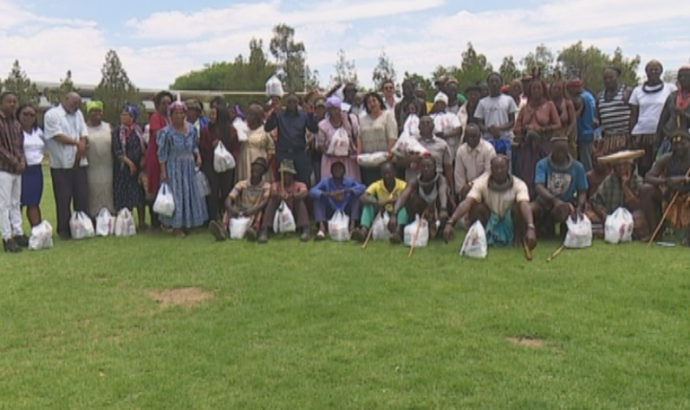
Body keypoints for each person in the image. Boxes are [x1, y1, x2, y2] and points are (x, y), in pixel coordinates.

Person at [444, 156, 537, 249]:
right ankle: (481, 238)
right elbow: (467, 202)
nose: (499, 171)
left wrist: (530, 227)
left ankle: (517, 239)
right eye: (496, 168)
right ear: (491, 169)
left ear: (507, 168)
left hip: (510, 221)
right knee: (476, 207)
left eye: (502, 168)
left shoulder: (519, 184)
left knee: (519, 207)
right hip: (490, 220)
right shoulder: (481, 183)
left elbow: (525, 204)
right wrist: (451, 222)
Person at [157, 100, 208, 237]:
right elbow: (162, 153)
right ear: (171, 115)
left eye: (181, 113)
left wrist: (197, 155)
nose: (179, 116)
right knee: (177, 196)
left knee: (189, 194)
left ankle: (189, 223)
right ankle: (176, 226)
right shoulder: (166, 133)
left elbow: (194, 146)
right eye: (176, 113)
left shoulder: (191, 129)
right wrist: (163, 171)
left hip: (189, 165)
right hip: (174, 166)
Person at [44, 92, 89, 239]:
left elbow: (83, 132)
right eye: (73, 103)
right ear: (65, 99)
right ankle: (64, 230)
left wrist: (82, 144)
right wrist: (77, 143)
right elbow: (56, 135)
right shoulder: (52, 115)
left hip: (80, 162)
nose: (76, 106)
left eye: (78, 104)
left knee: (81, 196)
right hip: (61, 165)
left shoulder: (78, 114)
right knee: (63, 199)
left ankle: (81, 227)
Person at [514, 73, 562, 198]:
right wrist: (526, 128)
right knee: (527, 177)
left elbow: (558, 125)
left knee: (545, 177)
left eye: (538, 88)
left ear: (543, 90)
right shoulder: (525, 108)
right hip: (527, 148)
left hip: (544, 145)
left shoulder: (549, 105)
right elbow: (516, 129)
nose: (536, 91)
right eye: (533, 89)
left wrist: (543, 129)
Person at [530, 137, 588, 237]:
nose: (561, 154)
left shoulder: (578, 167)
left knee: (563, 211)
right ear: (552, 150)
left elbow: (582, 191)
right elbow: (539, 186)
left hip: (567, 204)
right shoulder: (542, 164)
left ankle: (564, 227)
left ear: (568, 150)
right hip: (545, 202)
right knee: (531, 209)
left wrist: (579, 207)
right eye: (558, 151)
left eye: (563, 151)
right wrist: (554, 200)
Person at [641, 130, 690, 244]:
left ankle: (688, 237)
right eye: (676, 144)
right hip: (671, 195)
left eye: (683, 144)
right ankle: (655, 232)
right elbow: (648, 177)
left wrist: (684, 179)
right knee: (646, 190)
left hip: (688, 195)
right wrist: (666, 181)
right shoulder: (667, 158)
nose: (679, 147)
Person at [629, 60, 677, 177]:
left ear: (661, 71)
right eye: (651, 70)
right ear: (646, 72)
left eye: (656, 70)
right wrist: (630, 135)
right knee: (643, 166)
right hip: (641, 134)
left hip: (661, 134)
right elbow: (633, 115)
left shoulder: (670, 89)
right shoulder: (637, 91)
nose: (653, 72)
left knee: (660, 164)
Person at [209, 157, 271, 242]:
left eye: (259, 168)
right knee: (229, 210)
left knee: (260, 212)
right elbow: (229, 199)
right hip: (241, 209)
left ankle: (254, 230)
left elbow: (265, 201)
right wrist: (232, 210)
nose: (256, 170)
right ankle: (223, 229)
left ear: (263, 172)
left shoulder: (266, 186)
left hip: (254, 210)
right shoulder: (242, 184)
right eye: (255, 167)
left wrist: (253, 209)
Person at [588, 150, 647, 239]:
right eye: (619, 165)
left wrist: (625, 188)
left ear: (631, 167)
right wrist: (604, 215)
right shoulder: (609, 181)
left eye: (625, 164)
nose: (622, 168)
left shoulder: (637, 181)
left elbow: (639, 206)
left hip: (630, 217)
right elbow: (596, 201)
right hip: (611, 217)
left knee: (639, 219)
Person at [389, 156, 450, 240]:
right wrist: (394, 214)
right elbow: (403, 196)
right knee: (410, 198)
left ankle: (443, 227)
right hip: (422, 211)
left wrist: (443, 209)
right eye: (423, 166)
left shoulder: (441, 180)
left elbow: (443, 193)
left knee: (446, 200)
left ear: (435, 167)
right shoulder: (415, 181)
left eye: (429, 166)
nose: (426, 169)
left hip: (438, 209)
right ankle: (401, 229)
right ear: (420, 168)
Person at [265, 93, 317, 185]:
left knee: (302, 180)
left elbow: (314, 129)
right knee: (282, 181)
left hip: (299, 153)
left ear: (298, 103)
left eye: (294, 102)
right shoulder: (279, 115)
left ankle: (301, 198)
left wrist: (310, 115)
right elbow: (267, 128)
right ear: (286, 103)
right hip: (283, 153)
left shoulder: (304, 116)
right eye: (289, 102)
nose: (292, 104)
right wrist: (273, 114)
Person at [199, 104, 239, 223]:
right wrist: (212, 147)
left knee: (226, 190)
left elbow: (235, 148)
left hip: (226, 165)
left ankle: (226, 216)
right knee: (213, 191)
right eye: (210, 113)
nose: (211, 116)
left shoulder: (231, 130)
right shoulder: (206, 129)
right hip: (211, 164)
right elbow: (202, 147)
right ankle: (212, 218)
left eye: (214, 114)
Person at [352, 161, 408, 244]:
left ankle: (398, 233)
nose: (387, 176)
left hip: (396, 212)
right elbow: (363, 197)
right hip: (382, 212)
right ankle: (363, 231)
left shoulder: (402, 184)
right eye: (384, 173)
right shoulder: (377, 184)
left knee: (403, 206)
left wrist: (388, 202)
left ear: (395, 173)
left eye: (389, 173)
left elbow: (407, 198)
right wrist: (376, 202)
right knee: (368, 205)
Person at [309, 161, 366, 240]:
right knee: (317, 199)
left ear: (344, 171)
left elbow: (362, 187)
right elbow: (312, 191)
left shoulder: (349, 181)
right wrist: (329, 194)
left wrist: (346, 191)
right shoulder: (325, 182)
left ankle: (352, 228)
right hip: (331, 210)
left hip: (345, 210)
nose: (338, 171)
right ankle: (322, 230)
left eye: (340, 169)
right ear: (331, 172)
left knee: (355, 197)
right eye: (335, 169)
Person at [258, 160, 311, 243]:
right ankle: (264, 230)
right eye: (284, 174)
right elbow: (273, 192)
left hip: (294, 214)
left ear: (292, 175)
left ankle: (305, 229)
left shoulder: (299, 185)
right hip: (279, 214)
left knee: (299, 201)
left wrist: (291, 196)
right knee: (272, 200)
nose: (286, 177)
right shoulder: (276, 185)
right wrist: (279, 195)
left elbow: (304, 193)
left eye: (288, 174)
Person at [112, 103, 146, 228]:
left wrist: (142, 160)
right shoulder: (117, 131)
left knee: (139, 195)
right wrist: (129, 163)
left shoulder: (138, 130)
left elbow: (143, 147)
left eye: (126, 115)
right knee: (124, 196)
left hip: (138, 168)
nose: (123, 117)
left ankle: (142, 222)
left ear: (132, 117)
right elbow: (117, 151)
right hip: (123, 169)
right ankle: (126, 221)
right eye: (122, 114)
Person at [0, 92, 27, 252]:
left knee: (16, 202)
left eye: (15, 101)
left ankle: (18, 233)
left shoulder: (16, 124)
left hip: (17, 170)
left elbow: (20, 146)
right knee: (4, 205)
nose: (12, 104)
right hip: (4, 170)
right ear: (2, 103)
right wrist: (14, 161)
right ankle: (7, 237)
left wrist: (22, 160)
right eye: (9, 101)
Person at [399, 116, 454, 192]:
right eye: (422, 123)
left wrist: (451, 189)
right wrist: (412, 159)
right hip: (413, 186)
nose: (425, 125)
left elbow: (448, 169)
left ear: (433, 126)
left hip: (435, 185)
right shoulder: (409, 142)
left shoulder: (442, 144)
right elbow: (399, 163)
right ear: (418, 127)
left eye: (428, 123)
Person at [145, 90, 173, 230]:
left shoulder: (171, 118)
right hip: (155, 157)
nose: (167, 106)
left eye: (169, 103)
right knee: (156, 187)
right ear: (158, 105)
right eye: (163, 103)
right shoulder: (156, 117)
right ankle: (155, 221)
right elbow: (157, 135)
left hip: (168, 158)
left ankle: (166, 219)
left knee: (167, 187)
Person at [475, 73, 518, 161]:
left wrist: (498, 129)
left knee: (505, 165)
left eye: (497, 81)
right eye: (491, 82)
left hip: (505, 139)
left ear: (501, 84)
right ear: (488, 84)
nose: (494, 84)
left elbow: (512, 122)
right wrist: (489, 130)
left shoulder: (509, 100)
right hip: (488, 140)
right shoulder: (482, 102)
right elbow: (479, 123)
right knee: (488, 165)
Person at [316, 96, 361, 181]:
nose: (334, 112)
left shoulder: (350, 120)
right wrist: (329, 153)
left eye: (336, 109)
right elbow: (321, 144)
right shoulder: (323, 125)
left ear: (340, 109)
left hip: (348, 159)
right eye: (331, 109)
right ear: (328, 111)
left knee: (349, 181)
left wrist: (356, 152)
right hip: (331, 160)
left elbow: (357, 137)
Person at [357, 92, 397, 185]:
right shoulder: (363, 119)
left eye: (374, 101)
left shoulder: (388, 115)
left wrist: (389, 154)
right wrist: (359, 154)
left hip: (384, 159)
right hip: (368, 161)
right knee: (370, 186)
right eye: (369, 102)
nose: (372, 103)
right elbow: (359, 137)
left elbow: (392, 136)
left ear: (379, 102)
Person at [16, 104, 44, 228]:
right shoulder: (14, 130)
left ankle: (37, 230)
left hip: (36, 170)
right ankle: (17, 232)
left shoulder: (38, 132)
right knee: (18, 202)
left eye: (32, 115)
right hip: (20, 170)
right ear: (18, 115)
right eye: (25, 114)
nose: (28, 117)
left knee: (34, 202)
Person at [85, 100, 114, 218]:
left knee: (108, 191)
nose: (96, 113)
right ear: (88, 113)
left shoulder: (108, 127)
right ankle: (94, 217)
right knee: (93, 191)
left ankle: (109, 216)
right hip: (92, 166)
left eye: (99, 111)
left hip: (108, 166)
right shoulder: (83, 128)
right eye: (93, 111)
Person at [654, 64, 690, 158]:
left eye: (687, 76)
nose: (683, 79)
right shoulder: (672, 97)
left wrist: (685, 115)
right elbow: (662, 120)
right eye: (681, 76)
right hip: (670, 138)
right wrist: (657, 142)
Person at [454, 124, 496, 200]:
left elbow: (489, 173)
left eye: (474, 136)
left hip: (486, 188)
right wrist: (462, 190)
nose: (471, 139)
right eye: (469, 137)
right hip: (467, 191)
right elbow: (459, 174)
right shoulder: (461, 150)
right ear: (465, 138)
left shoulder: (488, 149)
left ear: (480, 136)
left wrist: (471, 185)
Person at [597, 66, 633, 154]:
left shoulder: (626, 92)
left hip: (625, 138)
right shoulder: (600, 96)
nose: (608, 80)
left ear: (617, 77)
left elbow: (635, 114)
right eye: (605, 78)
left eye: (611, 77)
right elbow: (598, 119)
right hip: (608, 139)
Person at [238, 103, 275, 183]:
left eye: (252, 115)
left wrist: (265, 165)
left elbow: (271, 150)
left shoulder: (265, 130)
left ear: (258, 117)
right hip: (244, 162)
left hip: (259, 163)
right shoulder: (241, 127)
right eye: (248, 114)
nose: (249, 117)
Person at [567, 78, 596, 172]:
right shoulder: (589, 96)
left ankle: (587, 185)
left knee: (585, 165)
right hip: (590, 132)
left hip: (583, 133)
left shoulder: (580, 99)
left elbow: (574, 116)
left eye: (569, 88)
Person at [550, 73, 578, 159]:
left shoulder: (568, 103)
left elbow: (573, 122)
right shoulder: (547, 104)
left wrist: (566, 135)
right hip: (551, 139)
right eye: (554, 88)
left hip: (566, 139)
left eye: (559, 88)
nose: (556, 90)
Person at [429, 93, 462, 158]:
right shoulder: (430, 117)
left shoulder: (452, 116)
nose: (439, 105)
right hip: (434, 145)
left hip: (449, 145)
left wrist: (445, 135)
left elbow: (458, 129)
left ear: (445, 104)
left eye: (442, 103)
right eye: (437, 103)